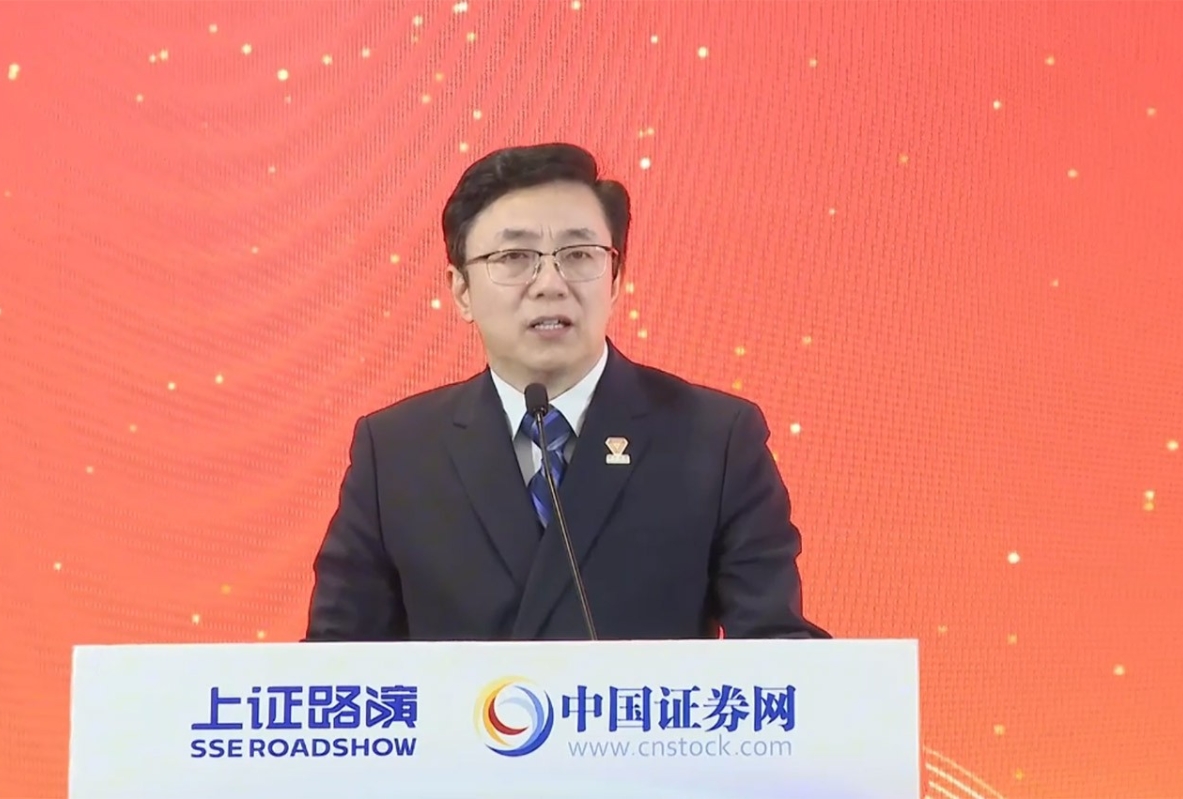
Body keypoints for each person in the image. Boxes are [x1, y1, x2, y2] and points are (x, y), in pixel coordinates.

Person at [304, 142, 828, 641]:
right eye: (514, 257)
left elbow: (776, 649)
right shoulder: (396, 451)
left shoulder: (715, 438)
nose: (550, 283)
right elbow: (334, 661)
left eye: (579, 255)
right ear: (461, 290)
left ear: (615, 279)